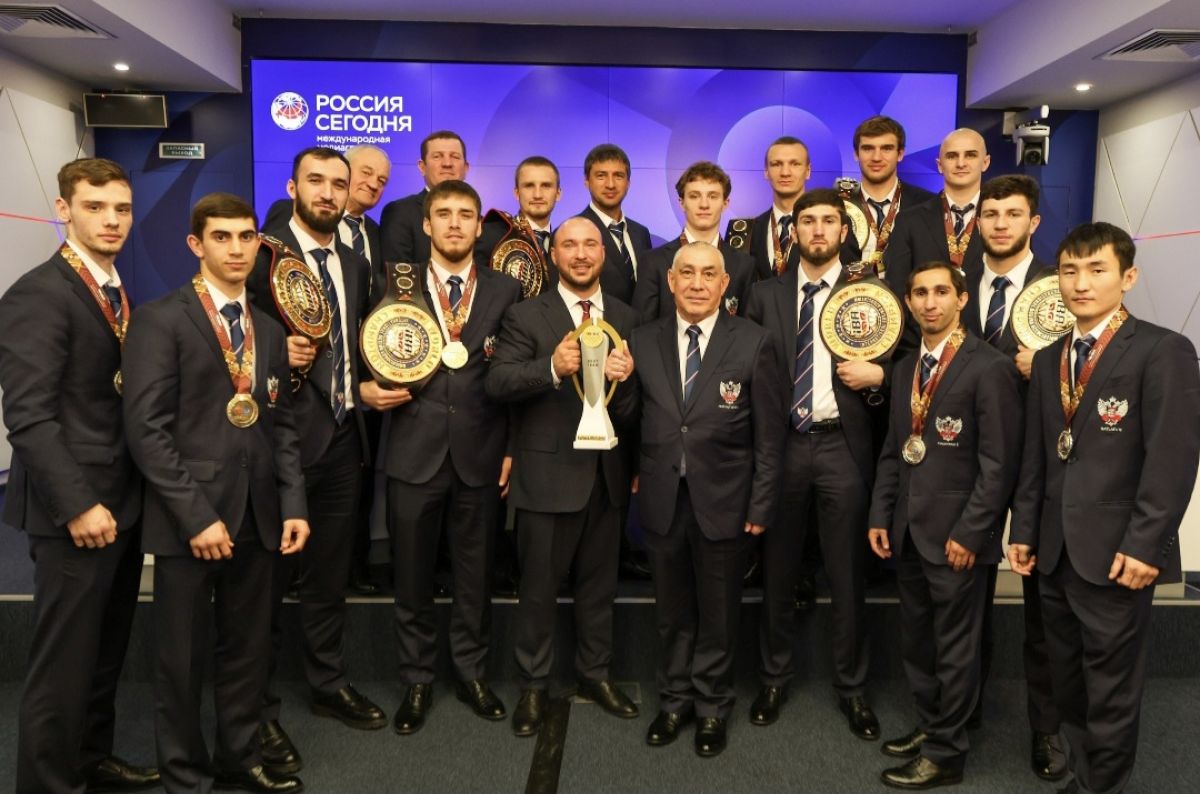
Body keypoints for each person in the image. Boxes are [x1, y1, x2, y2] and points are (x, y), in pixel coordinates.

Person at [123, 192, 311, 793]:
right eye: (222, 237)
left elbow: (282, 426)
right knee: (180, 659)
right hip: (189, 521)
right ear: (195, 245)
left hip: (259, 514)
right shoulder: (161, 319)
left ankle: (240, 755)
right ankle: (184, 774)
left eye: (246, 237)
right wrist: (196, 517)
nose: (236, 249)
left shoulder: (268, 330)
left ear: (259, 243)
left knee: (248, 650)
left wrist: (294, 504)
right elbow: (146, 431)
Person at [1010, 222, 1200, 794]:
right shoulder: (1049, 358)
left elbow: (1171, 459)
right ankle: (1081, 777)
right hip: (1053, 550)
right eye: (1070, 271)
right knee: (1066, 680)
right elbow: (1038, 456)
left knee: (1110, 688)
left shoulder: (1163, 350)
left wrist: (1147, 545)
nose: (1081, 284)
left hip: (1119, 553)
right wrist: (1024, 529)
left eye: (1097, 270)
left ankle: (1103, 787)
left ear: (1128, 277)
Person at [1, 157, 159, 794]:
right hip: (75, 513)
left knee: (103, 653)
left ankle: (89, 759)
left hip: (121, 503)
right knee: (63, 666)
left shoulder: (114, 288)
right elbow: (29, 417)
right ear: (64, 210)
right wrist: (77, 505)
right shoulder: (39, 293)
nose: (111, 220)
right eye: (95, 207)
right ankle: (47, 783)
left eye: (121, 208)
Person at [248, 147, 387, 775]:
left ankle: (327, 684)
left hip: (341, 439)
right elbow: (229, 342)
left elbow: (350, 349)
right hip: (277, 446)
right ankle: (257, 709)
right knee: (266, 586)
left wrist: (361, 391)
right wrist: (277, 355)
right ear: (292, 187)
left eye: (337, 183)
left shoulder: (353, 263)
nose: (328, 193)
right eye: (316, 181)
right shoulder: (259, 257)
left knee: (329, 579)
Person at [868, 260, 1022, 790]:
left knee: (956, 650)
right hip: (910, 530)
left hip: (958, 537)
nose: (929, 302)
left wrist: (971, 533)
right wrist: (881, 514)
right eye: (919, 293)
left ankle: (947, 755)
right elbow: (895, 450)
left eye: (940, 292)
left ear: (962, 299)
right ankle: (933, 724)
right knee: (918, 642)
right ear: (908, 303)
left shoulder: (989, 367)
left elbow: (999, 465)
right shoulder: (906, 369)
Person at [485, 216, 640, 737]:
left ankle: (595, 675)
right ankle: (533, 686)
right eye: (569, 244)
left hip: (607, 476)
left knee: (599, 590)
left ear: (603, 254)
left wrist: (627, 381)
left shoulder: (626, 316)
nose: (580, 253)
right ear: (554, 255)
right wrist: (551, 366)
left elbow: (634, 409)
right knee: (538, 591)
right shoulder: (526, 315)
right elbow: (498, 382)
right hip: (547, 476)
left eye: (590, 244)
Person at [631, 241, 785, 757]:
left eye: (708, 275)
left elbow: (769, 437)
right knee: (671, 612)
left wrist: (761, 504)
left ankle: (712, 706)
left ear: (724, 284)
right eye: (688, 273)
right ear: (671, 281)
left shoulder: (755, 342)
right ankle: (674, 701)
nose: (697, 284)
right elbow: (633, 418)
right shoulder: (642, 340)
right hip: (662, 499)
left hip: (727, 501)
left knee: (718, 614)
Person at [379, 180, 522, 735]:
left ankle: (471, 673)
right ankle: (416, 679)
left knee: (474, 576)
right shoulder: (396, 282)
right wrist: (366, 388)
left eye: (466, 214)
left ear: (479, 226)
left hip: (481, 453)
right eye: (444, 213)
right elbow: (371, 350)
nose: (456, 223)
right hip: (412, 452)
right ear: (427, 224)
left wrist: (510, 448)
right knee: (412, 577)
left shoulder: (506, 290)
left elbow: (513, 375)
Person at [743, 189, 885, 741]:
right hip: (780, 446)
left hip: (841, 447)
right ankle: (773, 678)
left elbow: (901, 363)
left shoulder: (870, 294)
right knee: (777, 571)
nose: (819, 230)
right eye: (808, 221)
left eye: (829, 221)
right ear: (793, 231)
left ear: (844, 232)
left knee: (847, 576)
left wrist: (879, 377)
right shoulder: (764, 295)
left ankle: (853, 687)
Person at [963, 174, 1065, 781]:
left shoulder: (1062, 288)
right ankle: (961, 708)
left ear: (1034, 222)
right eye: (991, 214)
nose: (1000, 224)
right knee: (963, 593)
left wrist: (1045, 366)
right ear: (977, 222)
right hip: (964, 461)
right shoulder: (951, 285)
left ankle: (1046, 728)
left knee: (1042, 606)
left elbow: (1095, 366)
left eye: (1013, 214)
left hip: (1041, 461)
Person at [884, 128, 990, 356]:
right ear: (940, 165)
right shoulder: (909, 220)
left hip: (987, 350)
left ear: (985, 162)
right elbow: (899, 290)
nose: (960, 163)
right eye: (952, 156)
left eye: (970, 155)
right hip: (922, 349)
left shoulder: (1001, 221)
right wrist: (927, 343)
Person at [633, 161, 756, 325]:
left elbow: (748, 331)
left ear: (725, 203)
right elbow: (643, 330)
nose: (704, 205)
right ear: (681, 203)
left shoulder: (744, 264)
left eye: (712, 196)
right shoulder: (653, 262)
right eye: (694, 196)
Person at [848, 115, 936, 265]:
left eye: (886, 148)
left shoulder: (929, 204)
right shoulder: (836, 204)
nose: (876, 157)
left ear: (900, 154)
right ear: (856, 154)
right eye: (868, 148)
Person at [723, 136, 810, 278]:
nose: (785, 172)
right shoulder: (745, 231)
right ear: (766, 171)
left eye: (795, 164)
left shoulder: (830, 228)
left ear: (808, 171)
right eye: (776, 164)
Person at [578, 143, 653, 305]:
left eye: (618, 176)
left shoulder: (641, 233)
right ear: (587, 181)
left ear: (628, 183)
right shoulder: (572, 231)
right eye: (601, 176)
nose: (610, 184)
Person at [380, 130, 469, 265]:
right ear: (422, 167)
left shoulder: (480, 220)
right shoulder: (400, 212)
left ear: (466, 168)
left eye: (455, 157)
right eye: (437, 156)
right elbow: (397, 272)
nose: (447, 163)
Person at [476, 155, 561, 294]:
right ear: (517, 193)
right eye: (529, 186)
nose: (537, 194)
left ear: (558, 193)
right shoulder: (492, 234)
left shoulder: (564, 244)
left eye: (546, 186)